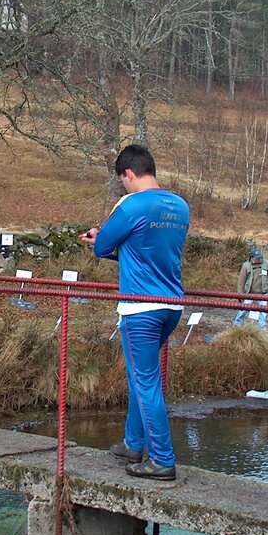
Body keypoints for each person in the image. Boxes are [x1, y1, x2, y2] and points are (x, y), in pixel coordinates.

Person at [80, 144, 189, 481]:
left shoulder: (130, 205)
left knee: (146, 383)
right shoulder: (180, 206)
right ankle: (133, 443)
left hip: (140, 308)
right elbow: (147, 253)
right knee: (140, 378)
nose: (123, 186)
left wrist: (98, 237)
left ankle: (162, 460)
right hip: (171, 306)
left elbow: (102, 247)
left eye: (122, 180)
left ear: (128, 174)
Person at [234, 248, 268, 328]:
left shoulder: (267, 263)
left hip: (263, 293)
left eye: (259, 257)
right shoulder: (246, 265)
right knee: (242, 310)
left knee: (263, 312)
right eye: (256, 257)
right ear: (252, 257)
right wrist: (240, 294)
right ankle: (237, 325)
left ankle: (263, 329)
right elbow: (241, 281)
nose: (258, 259)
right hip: (249, 293)